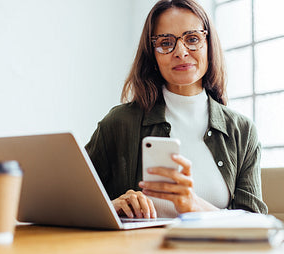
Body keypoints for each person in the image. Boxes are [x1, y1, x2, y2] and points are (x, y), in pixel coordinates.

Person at [85, 0, 267, 219]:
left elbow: (256, 222)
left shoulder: (242, 131)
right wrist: (111, 206)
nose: (181, 52)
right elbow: (71, 199)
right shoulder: (119, 123)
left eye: (192, 39)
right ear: (152, 56)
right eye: (165, 43)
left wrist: (194, 205)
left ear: (209, 46)